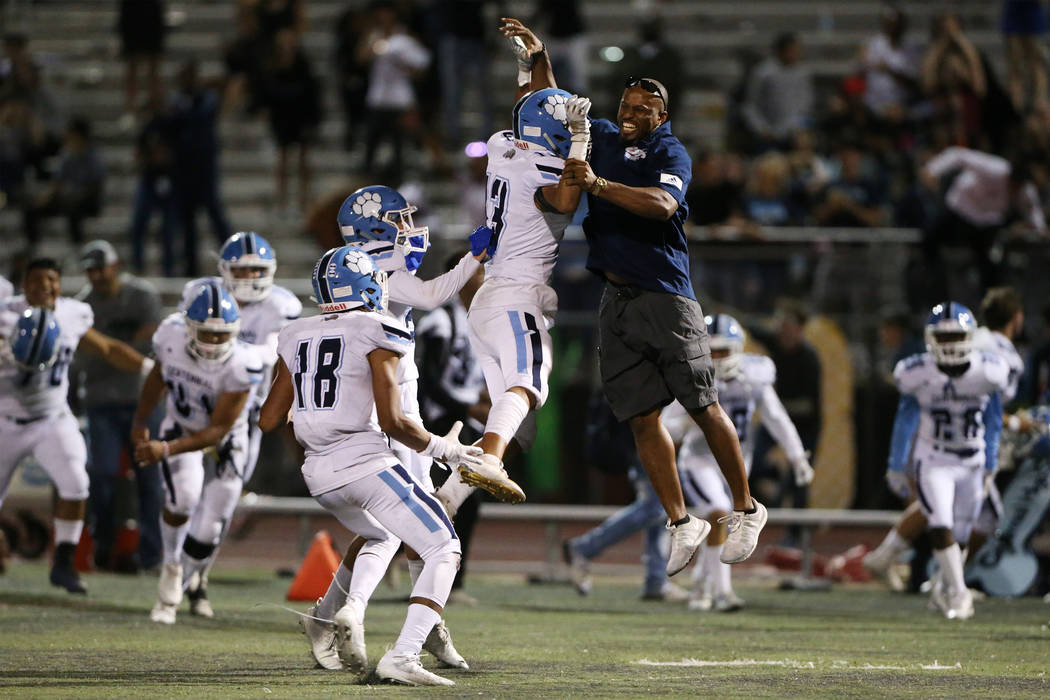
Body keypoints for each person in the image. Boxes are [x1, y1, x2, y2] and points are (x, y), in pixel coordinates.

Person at [506, 12, 766, 572]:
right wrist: (536, 55)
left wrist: (599, 185)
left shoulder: (672, 154)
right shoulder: (598, 135)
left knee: (702, 404)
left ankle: (746, 507)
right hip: (615, 299)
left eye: (642, 110)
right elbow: (554, 101)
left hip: (666, 295)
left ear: (662, 116)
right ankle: (681, 521)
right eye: (625, 108)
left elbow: (663, 205)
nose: (629, 116)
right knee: (642, 419)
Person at [259, 246, 481, 686]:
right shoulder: (379, 328)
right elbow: (395, 422)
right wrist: (449, 451)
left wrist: (314, 433)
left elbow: (268, 418)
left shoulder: (295, 332)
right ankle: (404, 655)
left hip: (318, 473)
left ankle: (334, 614)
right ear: (365, 286)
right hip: (364, 463)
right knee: (444, 548)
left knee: (382, 534)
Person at [433, 21, 591, 519]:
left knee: (519, 418)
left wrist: (534, 56)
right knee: (529, 383)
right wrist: (581, 139)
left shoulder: (505, 145)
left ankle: (447, 498)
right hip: (518, 295)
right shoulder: (548, 169)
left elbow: (532, 101)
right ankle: (489, 460)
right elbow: (567, 193)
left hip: (489, 300)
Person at [0, 257, 152, 594]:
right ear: (24, 285)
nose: (46, 287)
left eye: (52, 280)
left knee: (77, 483)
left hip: (52, 417)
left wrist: (149, 368)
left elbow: (108, 348)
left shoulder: (71, 313)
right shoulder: (5, 314)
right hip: (5, 419)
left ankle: (64, 563)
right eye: (37, 281)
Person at [177, 232, 302, 617]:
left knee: (222, 504)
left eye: (257, 269)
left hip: (245, 416)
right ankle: (177, 572)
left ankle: (197, 577)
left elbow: (272, 357)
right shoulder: (202, 293)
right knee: (185, 497)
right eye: (242, 268)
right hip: (195, 409)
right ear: (224, 270)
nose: (249, 276)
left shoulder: (282, 305)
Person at [865, 288, 1025, 586]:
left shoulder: (978, 349)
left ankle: (904, 564)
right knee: (969, 515)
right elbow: (980, 407)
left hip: (944, 437)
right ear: (1018, 319)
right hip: (950, 439)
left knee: (937, 508)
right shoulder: (997, 358)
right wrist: (1015, 423)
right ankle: (946, 583)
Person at [131, 281, 262, 625]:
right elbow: (158, 376)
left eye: (223, 335)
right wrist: (141, 420)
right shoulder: (170, 337)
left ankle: (188, 582)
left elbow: (218, 429)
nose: (216, 341)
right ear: (188, 326)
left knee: (209, 528)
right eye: (207, 333)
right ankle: (171, 570)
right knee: (182, 500)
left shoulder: (242, 363)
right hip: (182, 425)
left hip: (226, 440)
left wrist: (165, 448)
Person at [664, 315, 813, 612]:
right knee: (719, 514)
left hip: (736, 465)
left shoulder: (754, 374)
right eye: (712, 351)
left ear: (738, 349)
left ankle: (702, 585)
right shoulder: (692, 376)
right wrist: (690, 422)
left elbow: (776, 417)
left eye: (723, 351)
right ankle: (723, 592)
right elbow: (666, 426)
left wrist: (797, 455)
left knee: (724, 525)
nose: (717, 359)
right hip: (700, 461)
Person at [883, 302, 1009, 619]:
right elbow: (905, 416)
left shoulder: (988, 371)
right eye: (944, 337)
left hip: (973, 460)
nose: (950, 344)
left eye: (956, 336)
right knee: (940, 523)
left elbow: (994, 418)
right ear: (930, 339)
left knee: (963, 532)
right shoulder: (918, 372)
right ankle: (959, 594)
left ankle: (945, 587)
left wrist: (991, 461)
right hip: (934, 458)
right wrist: (898, 464)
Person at [74, 241, 164, 573]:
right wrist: (121, 351)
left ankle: (152, 555)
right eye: (90, 269)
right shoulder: (84, 305)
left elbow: (151, 340)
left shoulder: (142, 295)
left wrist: (110, 349)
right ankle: (104, 546)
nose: (96, 275)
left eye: (101, 268)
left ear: (115, 266)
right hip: (101, 401)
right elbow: (97, 352)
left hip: (144, 399)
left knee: (150, 478)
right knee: (102, 475)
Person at [415, 253, 488, 604]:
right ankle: (421, 571)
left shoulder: (484, 319)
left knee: (469, 502)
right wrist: (469, 406)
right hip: (440, 422)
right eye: (479, 271)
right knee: (430, 498)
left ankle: (452, 584)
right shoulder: (441, 321)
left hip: (469, 420)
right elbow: (430, 381)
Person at [920, 147, 1046, 296]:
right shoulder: (995, 168)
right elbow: (959, 155)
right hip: (961, 208)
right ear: (1009, 177)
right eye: (1013, 184)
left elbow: (1031, 210)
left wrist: (1041, 229)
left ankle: (990, 305)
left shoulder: (1025, 190)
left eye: (1018, 187)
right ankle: (930, 282)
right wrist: (933, 170)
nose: (1014, 189)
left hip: (987, 222)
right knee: (930, 238)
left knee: (991, 265)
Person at [170, 59, 231, 276]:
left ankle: (234, 257)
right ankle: (190, 267)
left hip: (204, 169)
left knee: (215, 216)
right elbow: (173, 124)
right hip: (183, 170)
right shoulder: (178, 100)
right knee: (187, 223)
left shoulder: (206, 98)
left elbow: (197, 119)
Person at [359, 2, 430, 182]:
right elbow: (361, 59)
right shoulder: (374, 37)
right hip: (377, 100)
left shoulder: (404, 40)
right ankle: (366, 181)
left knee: (398, 146)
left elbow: (422, 65)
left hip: (399, 101)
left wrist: (404, 65)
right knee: (371, 145)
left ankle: (397, 182)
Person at [22, 116, 105, 247]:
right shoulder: (67, 154)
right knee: (32, 209)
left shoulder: (93, 158)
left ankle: (76, 247)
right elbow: (57, 181)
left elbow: (95, 186)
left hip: (87, 201)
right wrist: (45, 198)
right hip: (67, 199)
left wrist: (76, 195)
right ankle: (33, 246)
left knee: (75, 210)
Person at [740, 33, 813, 151]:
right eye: (793, 50)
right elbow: (750, 105)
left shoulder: (802, 73)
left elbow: (805, 105)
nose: (796, 54)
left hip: (793, 133)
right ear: (781, 51)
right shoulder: (763, 73)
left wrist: (791, 127)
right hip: (766, 133)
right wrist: (761, 128)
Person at [117, 0, 166, 131]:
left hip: (151, 8)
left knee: (153, 64)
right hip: (132, 10)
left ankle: (155, 110)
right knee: (132, 63)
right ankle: (130, 110)